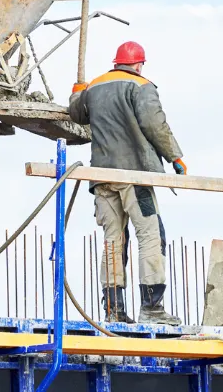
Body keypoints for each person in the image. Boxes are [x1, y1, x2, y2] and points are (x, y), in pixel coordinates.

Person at [69, 41, 186, 325]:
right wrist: (175, 157)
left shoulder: (94, 87)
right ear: (139, 64)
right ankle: (153, 308)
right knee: (150, 235)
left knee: (113, 241)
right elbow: (154, 125)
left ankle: (113, 309)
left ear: (116, 62)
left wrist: (76, 95)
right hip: (135, 175)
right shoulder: (141, 86)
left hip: (102, 178)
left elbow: (76, 115)